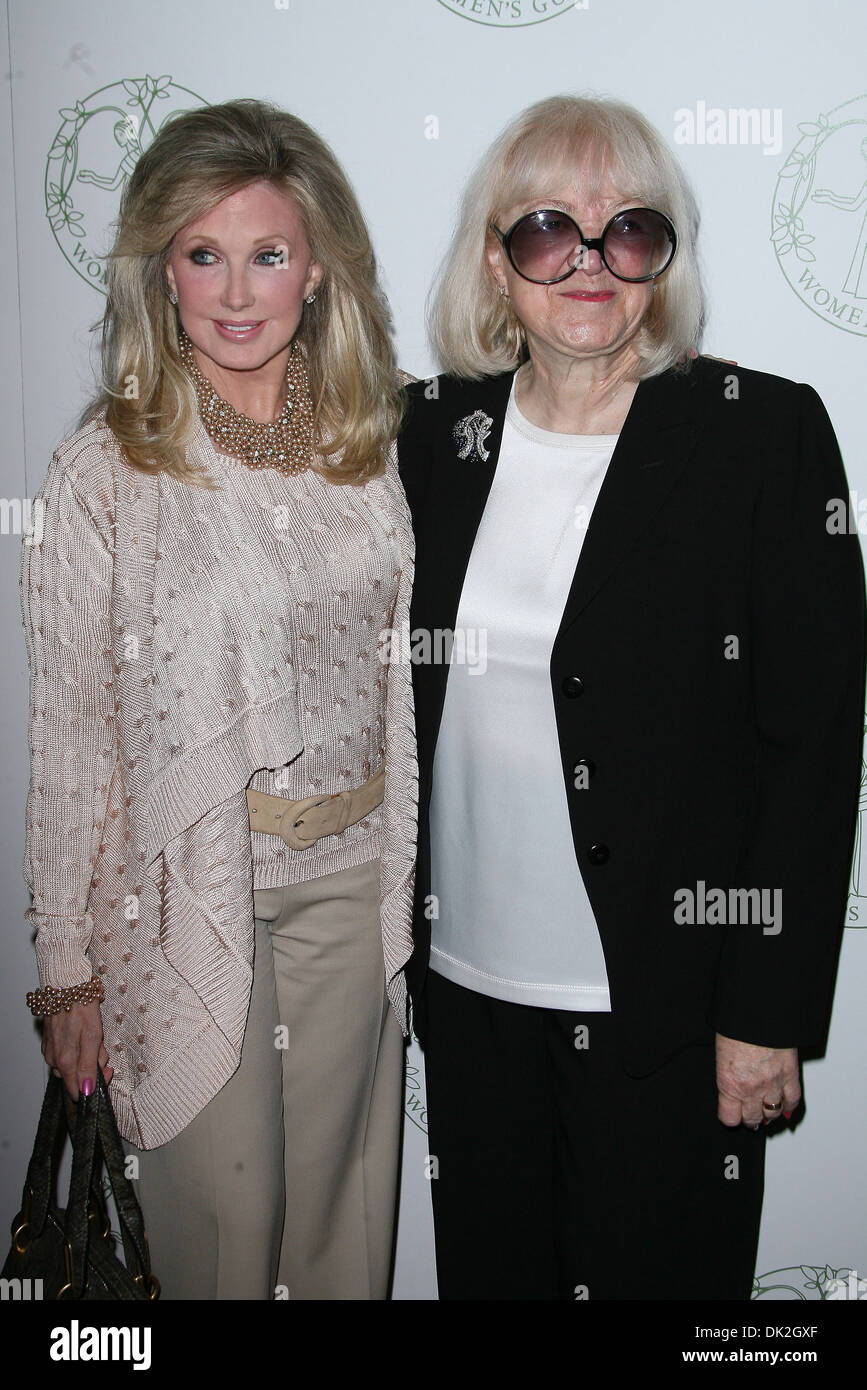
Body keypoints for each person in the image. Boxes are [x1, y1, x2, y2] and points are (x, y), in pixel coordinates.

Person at [396, 94, 866, 1301]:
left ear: (665, 259)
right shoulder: (431, 433)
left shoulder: (761, 434)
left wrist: (766, 1011)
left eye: (629, 230)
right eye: (550, 231)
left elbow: (810, 745)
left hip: (668, 1012)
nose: (591, 261)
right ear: (497, 265)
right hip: (469, 1000)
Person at [20, 98, 418, 1300]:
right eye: (204, 254)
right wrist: (70, 968)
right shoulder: (109, 464)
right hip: (191, 892)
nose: (237, 293)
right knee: (222, 1241)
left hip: (355, 882)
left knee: (344, 1245)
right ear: (162, 272)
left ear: (319, 268)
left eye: (268, 253)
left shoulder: (377, 432)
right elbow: (72, 734)